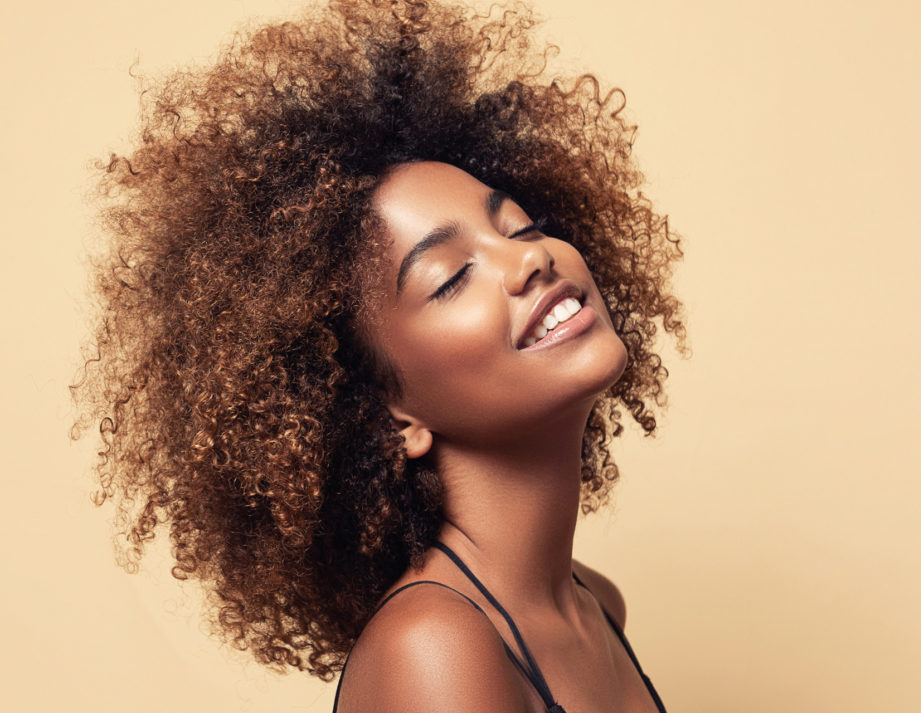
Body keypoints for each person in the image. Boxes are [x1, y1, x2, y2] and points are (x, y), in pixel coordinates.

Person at [71, 0, 686, 710]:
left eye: (521, 227)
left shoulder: (596, 605)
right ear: (392, 415)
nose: (530, 262)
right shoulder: (435, 648)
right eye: (451, 277)